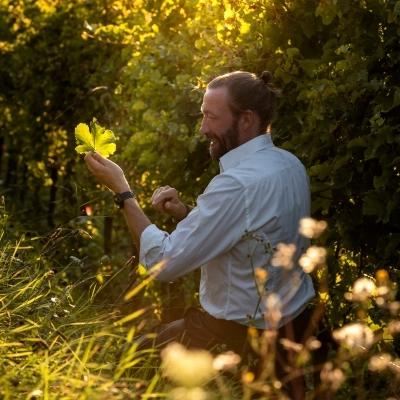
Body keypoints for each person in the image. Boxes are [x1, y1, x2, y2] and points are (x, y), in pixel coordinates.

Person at [85, 71, 315, 398]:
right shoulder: (290, 165)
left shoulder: (235, 185)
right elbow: (253, 232)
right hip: (294, 330)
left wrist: (122, 191)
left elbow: (162, 262)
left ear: (246, 119)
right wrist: (187, 214)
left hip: (235, 337)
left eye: (211, 117)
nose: (203, 128)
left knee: (130, 361)